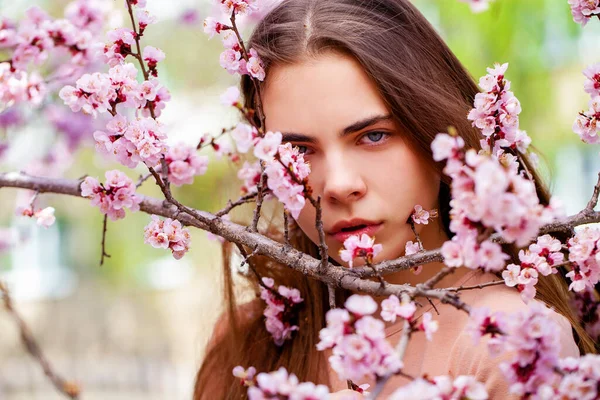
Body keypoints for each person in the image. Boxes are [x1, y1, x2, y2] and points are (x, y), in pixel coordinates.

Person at [194, 0, 597, 398]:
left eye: (373, 136)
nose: (338, 184)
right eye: (298, 150)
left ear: (435, 133)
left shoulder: (506, 341)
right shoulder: (247, 342)